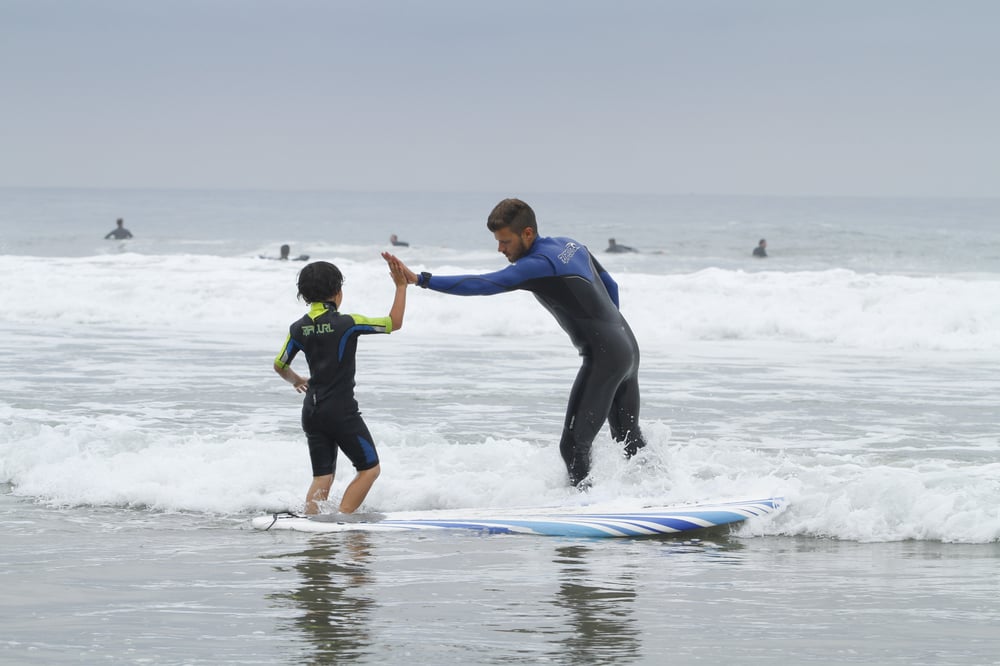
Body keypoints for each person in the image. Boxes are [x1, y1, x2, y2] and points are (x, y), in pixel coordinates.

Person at [383, 198, 646, 488]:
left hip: (605, 357)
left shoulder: (537, 265)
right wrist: (612, 332)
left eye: (505, 241)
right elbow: (611, 285)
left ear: (528, 234)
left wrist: (421, 279)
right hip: (627, 345)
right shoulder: (571, 245)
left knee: (573, 446)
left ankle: (587, 507)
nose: (500, 249)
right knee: (627, 437)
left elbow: (485, 284)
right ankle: (658, 491)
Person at [273, 256, 408, 514]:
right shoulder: (348, 323)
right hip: (341, 412)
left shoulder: (297, 329)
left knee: (322, 477)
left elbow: (279, 364)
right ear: (338, 292)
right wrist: (401, 287)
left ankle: (311, 524)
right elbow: (394, 322)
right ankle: (342, 520)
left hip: (311, 412)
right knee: (369, 469)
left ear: (304, 295)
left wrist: (297, 380)